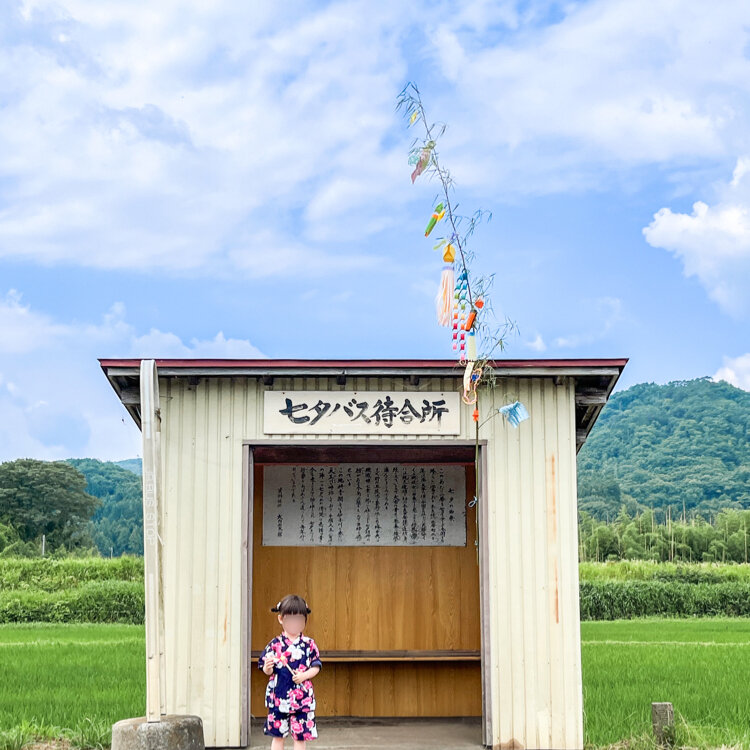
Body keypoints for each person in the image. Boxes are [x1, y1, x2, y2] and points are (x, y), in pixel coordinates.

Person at [258, 594, 322, 748]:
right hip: (278, 698)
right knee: (278, 736)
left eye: (299, 619)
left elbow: (316, 666)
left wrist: (304, 675)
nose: (295, 623)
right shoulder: (274, 645)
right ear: (281, 619)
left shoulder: (309, 644)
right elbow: (266, 670)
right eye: (290, 619)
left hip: (302, 699)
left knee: (300, 737)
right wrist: (267, 667)